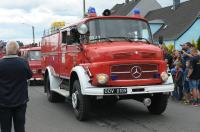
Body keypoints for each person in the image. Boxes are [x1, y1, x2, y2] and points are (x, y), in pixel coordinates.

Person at [0, 41, 32, 132]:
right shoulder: (23, 62)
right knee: (20, 127)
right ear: (18, 50)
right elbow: (29, 75)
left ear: (6, 50)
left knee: (5, 128)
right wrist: (24, 60)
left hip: (3, 103)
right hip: (20, 102)